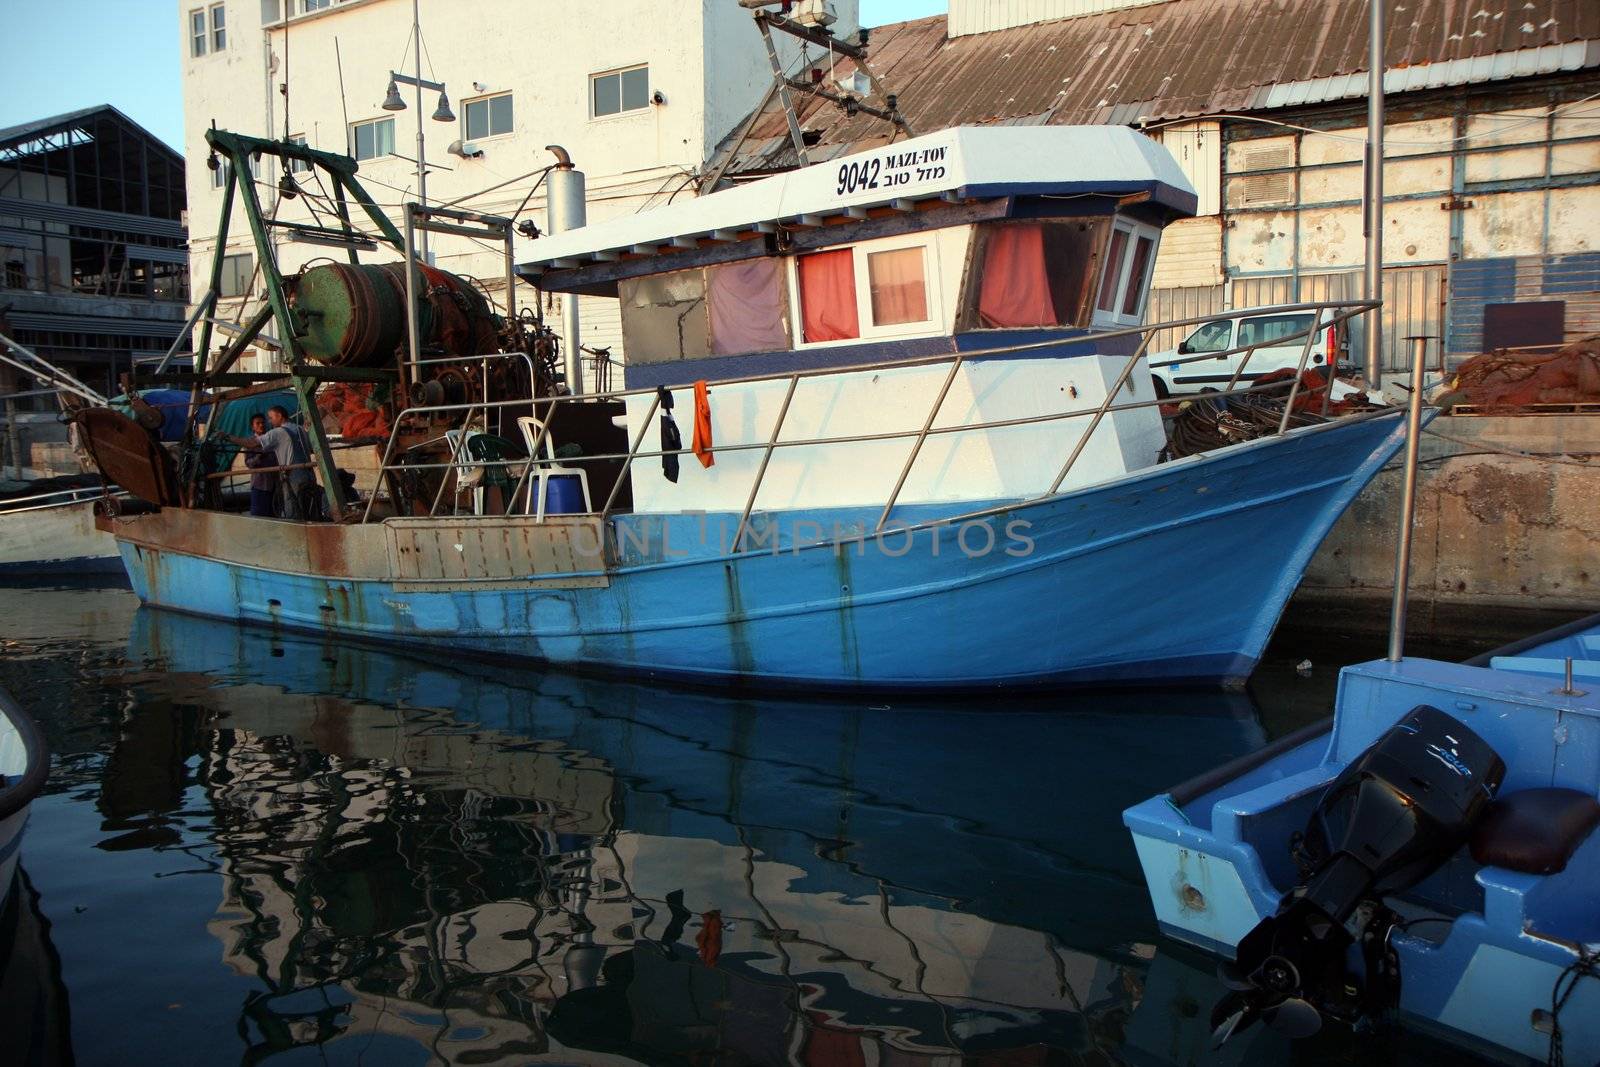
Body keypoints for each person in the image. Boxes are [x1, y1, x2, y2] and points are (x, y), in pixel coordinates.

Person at [228, 405, 316, 520]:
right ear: (252, 427)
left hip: (291, 479)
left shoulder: (277, 433)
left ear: (279, 416)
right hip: (307, 475)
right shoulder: (300, 429)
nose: (269, 421)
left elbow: (250, 444)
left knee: (292, 514)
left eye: (270, 418)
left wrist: (228, 437)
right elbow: (310, 449)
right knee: (308, 510)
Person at [242, 413, 278, 517]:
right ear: (252, 427)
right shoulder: (249, 443)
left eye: (263, 423)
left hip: (274, 483)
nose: (261, 425)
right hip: (259, 484)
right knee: (259, 516)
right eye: (257, 423)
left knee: (274, 515)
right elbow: (249, 463)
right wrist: (259, 457)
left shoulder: (271, 439)